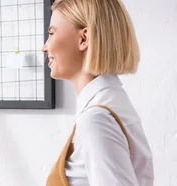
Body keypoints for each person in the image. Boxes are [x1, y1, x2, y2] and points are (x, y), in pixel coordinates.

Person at [42, 0, 154, 185]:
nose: (45, 47)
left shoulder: (96, 119)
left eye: (51, 33)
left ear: (84, 39)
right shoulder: (111, 104)